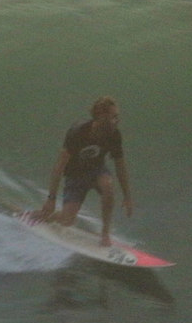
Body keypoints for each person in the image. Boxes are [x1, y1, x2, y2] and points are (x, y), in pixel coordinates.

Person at [38, 96, 133, 246]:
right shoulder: (78, 132)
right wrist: (51, 199)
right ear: (102, 116)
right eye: (114, 117)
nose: (117, 120)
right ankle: (44, 217)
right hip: (75, 175)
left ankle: (105, 234)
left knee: (108, 185)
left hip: (97, 171)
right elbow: (59, 167)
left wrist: (127, 196)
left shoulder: (114, 135)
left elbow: (120, 166)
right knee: (67, 220)